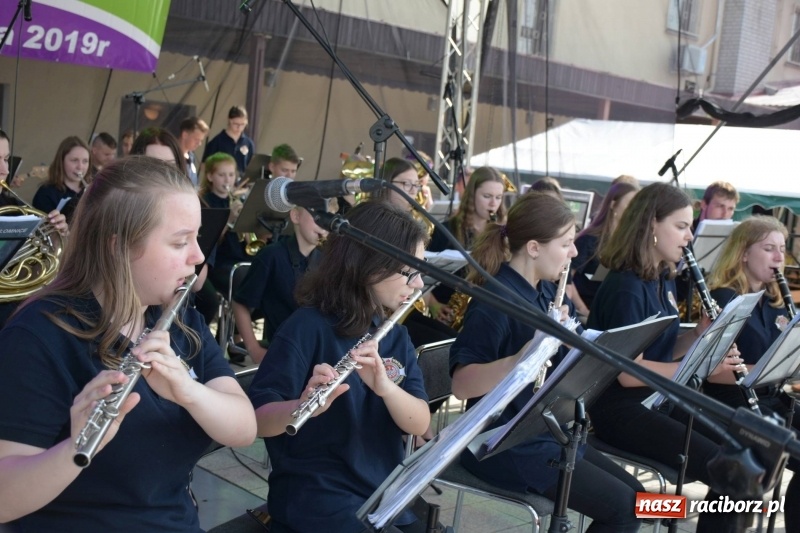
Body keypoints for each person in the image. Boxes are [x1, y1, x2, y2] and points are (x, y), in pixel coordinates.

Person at [0, 156, 256, 531]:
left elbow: (244, 428)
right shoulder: (40, 335)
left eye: (197, 238)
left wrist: (189, 392)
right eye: (180, 242)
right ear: (118, 247)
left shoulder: (180, 321)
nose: (199, 256)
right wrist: (74, 449)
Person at [450, 192, 644, 533]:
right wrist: (523, 358)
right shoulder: (496, 301)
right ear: (534, 248)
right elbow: (462, 385)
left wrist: (573, 342)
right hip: (504, 445)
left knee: (643, 498)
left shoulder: (542, 291)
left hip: (548, 434)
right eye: (566, 244)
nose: (574, 252)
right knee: (626, 509)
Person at [249, 201, 430, 533]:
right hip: (317, 497)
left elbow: (419, 422)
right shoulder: (306, 328)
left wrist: (385, 389)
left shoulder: (394, 335)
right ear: (370, 267)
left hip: (380, 492)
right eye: (410, 272)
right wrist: (300, 405)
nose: (418, 284)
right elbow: (257, 421)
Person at [587, 182, 749, 532]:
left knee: (742, 454)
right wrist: (698, 367)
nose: (690, 236)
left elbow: (661, 348)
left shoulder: (660, 277)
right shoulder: (626, 287)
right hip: (619, 410)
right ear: (651, 226)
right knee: (727, 469)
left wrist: (697, 335)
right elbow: (628, 373)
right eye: (681, 226)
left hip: (655, 399)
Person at [706, 215, 800, 532]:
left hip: (770, 396)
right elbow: (711, 372)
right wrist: (764, 371)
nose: (779, 257)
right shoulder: (725, 298)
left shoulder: (775, 301)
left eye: (782, 249)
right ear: (744, 253)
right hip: (731, 400)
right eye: (769, 248)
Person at [232, 205, 328, 363]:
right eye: (317, 216)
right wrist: (254, 349)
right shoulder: (271, 256)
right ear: (296, 216)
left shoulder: (328, 260)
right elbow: (240, 304)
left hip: (319, 353)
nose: (324, 224)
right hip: (285, 353)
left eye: (328, 217)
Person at [0, 129, 68, 328]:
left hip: (12, 314)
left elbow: (37, 268)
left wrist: (56, 234)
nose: (4, 170)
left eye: (6, 159)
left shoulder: (13, 208)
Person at [427, 166, 506, 324]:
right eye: (487, 196)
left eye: (498, 197)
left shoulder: (501, 233)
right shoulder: (446, 230)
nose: (493, 204)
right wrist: (433, 304)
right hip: (446, 313)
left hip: (484, 313)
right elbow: (421, 271)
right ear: (471, 195)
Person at [571, 181, 639, 312]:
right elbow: (567, 279)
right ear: (613, 205)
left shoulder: (628, 241)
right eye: (630, 204)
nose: (634, 211)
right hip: (586, 309)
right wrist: (583, 310)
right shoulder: (589, 239)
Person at [200, 152, 249, 297]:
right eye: (222, 175)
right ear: (210, 177)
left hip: (240, 258)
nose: (228, 180)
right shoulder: (205, 202)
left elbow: (248, 241)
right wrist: (229, 219)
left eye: (231, 175)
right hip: (219, 262)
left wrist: (244, 221)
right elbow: (208, 242)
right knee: (244, 280)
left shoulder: (238, 201)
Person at [32, 135, 91, 222]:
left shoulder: (93, 190)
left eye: (85, 161)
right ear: (61, 161)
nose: (80, 167)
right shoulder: (46, 193)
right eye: (74, 160)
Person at [202, 105, 255, 175]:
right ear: (229, 120)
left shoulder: (249, 143)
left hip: (242, 181)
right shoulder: (217, 141)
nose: (239, 127)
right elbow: (204, 165)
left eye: (242, 124)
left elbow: (251, 168)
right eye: (236, 124)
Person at [178, 117, 210, 187]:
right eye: (196, 140)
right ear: (185, 135)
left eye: (201, 140)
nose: (199, 144)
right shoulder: (171, 155)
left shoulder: (191, 156)